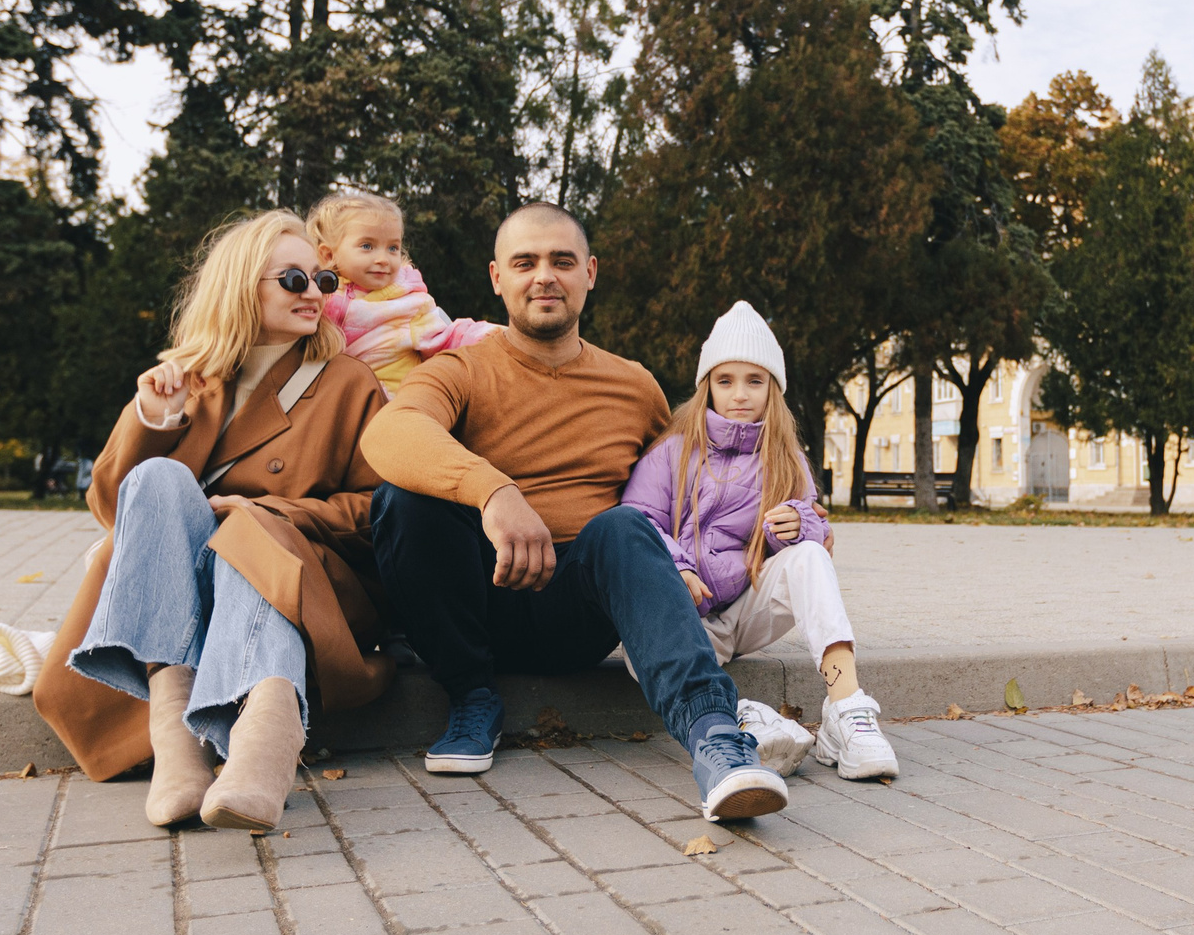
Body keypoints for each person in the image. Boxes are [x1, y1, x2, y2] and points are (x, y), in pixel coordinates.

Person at [365, 203, 791, 822]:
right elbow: (390, 432)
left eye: (561, 261)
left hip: (580, 607)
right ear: (497, 278)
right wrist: (494, 492)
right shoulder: (460, 369)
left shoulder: (634, 385)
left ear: (589, 273)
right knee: (401, 500)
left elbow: (687, 486)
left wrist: (789, 526)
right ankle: (472, 698)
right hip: (477, 598)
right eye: (525, 263)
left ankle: (717, 740)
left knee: (625, 526)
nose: (544, 276)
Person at [32, 211, 391, 831]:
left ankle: (264, 743)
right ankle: (178, 741)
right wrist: (154, 420)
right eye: (294, 279)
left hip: (304, 584)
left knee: (247, 533)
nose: (314, 292)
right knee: (158, 478)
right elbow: (117, 510)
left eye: (324, 280)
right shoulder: (188, 379)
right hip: (186, 593)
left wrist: (269, 511)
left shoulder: (347, 382)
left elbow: (377, 509)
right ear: (241, 286)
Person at [621, 301, 897, 781]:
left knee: (809, 556)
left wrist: (797, 526)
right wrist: (677, 566)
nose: (740, 394)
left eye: (755, 381)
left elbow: (816, 527)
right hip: (683, 618)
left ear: (773, 388)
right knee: (635, 647)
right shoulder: (673, 451)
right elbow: (637, 520)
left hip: (744, 607)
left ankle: (847, 710)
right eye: (725, 381)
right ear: (707, 386)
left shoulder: (785, 457)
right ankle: (747, 719)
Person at [306, 190, 495, 392]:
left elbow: (446, 337)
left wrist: (490, 337)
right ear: (328, 255)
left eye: (393, 248)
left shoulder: (408, 302)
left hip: (393, 398)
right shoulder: (315, 295)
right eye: (367, 246)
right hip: (335, 397)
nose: (383, 259)